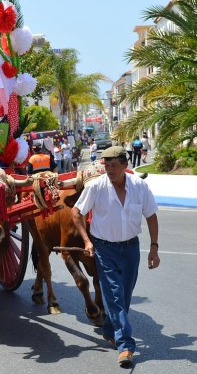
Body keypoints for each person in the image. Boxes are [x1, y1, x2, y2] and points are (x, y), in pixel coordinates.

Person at [71, 146, 159, 367]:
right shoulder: (95, 187)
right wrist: (87, 241)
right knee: (116, 296)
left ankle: (110, 327)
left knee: (125, 295)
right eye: (106, 166)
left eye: (113, 165)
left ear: (124, 166)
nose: (109, 170)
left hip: (131, 249)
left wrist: (154, 248)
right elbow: (76, 212)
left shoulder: (140, 186)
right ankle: (126, 345)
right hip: (104, 249)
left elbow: (151, 216)